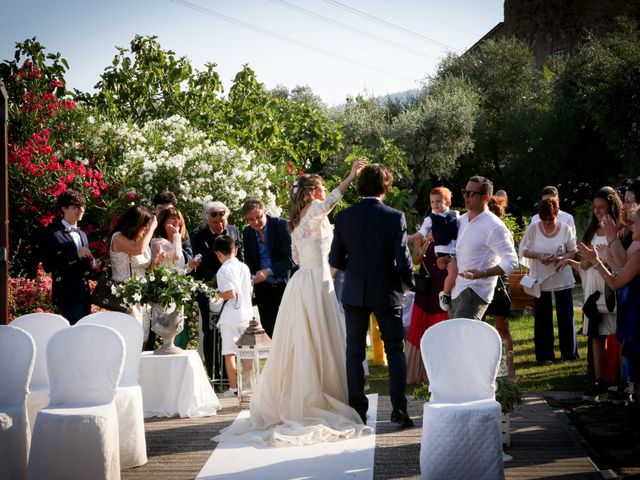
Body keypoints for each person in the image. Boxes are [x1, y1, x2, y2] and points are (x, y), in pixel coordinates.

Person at [215, 159, 371, 446]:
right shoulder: (314, 209)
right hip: (316, 281)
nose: (325, 191)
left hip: (305, 280)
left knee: (307, 340)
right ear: (312, 192)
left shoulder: (296, 219)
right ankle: (321, 394)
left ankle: (312, 390)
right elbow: (335, 198)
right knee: (320, 337)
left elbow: (297, 258)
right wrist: (350, 175)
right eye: (321, 187)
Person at [330, 163, 415, 428]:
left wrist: (356, 268)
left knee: (354, 351)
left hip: (355, 289)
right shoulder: (394, 216)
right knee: (394, 349)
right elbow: (403, 259)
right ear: (385, 186)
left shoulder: (344, 217)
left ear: (359, 186)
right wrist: (410, 282)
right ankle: (399, 408)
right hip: (386, 290)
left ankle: (358, 410)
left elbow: (335, 258)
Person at [557, 186, 624, 400]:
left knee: (617, 333)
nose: (598, 211)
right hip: (592, 288)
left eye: (602, 207)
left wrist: (598, 259)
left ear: (612, 207)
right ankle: (599, 379)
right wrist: (574, 262)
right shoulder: (592, 232)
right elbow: (586, 264)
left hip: (610, 284)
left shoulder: (620, 231)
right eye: (595, 207)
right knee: (596, 334)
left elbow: (619, 261)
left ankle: (620, 381)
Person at [578, 204, 640, 410]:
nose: (631, 227)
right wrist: (600, 260)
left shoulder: (638, 253)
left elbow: (615, 282)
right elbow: (620, 270)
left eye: (636, 222)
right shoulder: (635, 249)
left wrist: (598, 261)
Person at [450, 175, 519, 320]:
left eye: (471, 193)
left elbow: (512, 262)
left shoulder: (494, 226)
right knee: (456, 339)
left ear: (485, 198)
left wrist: (483, 273)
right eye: (465, 192)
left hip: (475, 291)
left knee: (463, 336)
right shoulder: (461, 220)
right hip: (457, 289)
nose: (466, 196)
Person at [519, 197, 578, 363]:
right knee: (543, 318)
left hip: (562, 275)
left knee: (566, 315)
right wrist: (538, 255)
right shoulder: (533, 228)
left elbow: (572, 252)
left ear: (556, 214)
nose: (547, 222)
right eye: (544, 219)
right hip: (541, 278)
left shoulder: (565, 228)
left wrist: (559, 258)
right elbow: (524, 250)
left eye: (550, 219)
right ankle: (545, 355)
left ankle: (569, 354)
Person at [191, 201, 242, 380]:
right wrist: (218, 282)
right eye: (215, 222)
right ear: (207, 220)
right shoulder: (198, 237)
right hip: (210, 289)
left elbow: (239, 257)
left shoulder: (234, 231)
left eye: (223, 220)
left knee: (229, 333)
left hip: (232, 291)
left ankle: (230, 379)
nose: (220, 225)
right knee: (211, 331)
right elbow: (202, 267)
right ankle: (214, 377)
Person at [41, 190, 102, 324]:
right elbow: (47, 266)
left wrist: (92, 265)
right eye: (75, 207)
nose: (80, 210)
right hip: (66, 294)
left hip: (84, 294)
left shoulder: (83, 234)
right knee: (74, 336)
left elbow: (81, 266)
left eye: (82, 206)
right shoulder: (52, 234)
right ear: (64, 208)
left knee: (84, 333)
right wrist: (75, 255)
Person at [241, 199, 295, 338]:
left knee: (291, 325)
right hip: (263, 287)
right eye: (250, 220)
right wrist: (252, 276)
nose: (255, 222)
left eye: (258, 217)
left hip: (285, 282)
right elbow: (249, 261)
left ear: (266, 212)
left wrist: (268, 271)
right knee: (268, 326)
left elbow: (291, 258)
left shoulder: (281, 225)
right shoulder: (247, 233)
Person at [149, 206, 200, 350]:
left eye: (178, 217)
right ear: (163, 222)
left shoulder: (177, 243)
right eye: (172, 217)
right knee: (165, 328)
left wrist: (190, 265)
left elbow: (179, 270)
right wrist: (177, 236)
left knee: (178, 327)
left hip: (177, 290)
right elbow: (176, 255)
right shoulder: (157, 242)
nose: (177, 220)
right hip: (164, 292)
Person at [405, 234, 449, 385]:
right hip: (425, 289)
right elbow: (415, 260)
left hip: (443, 285)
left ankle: (441, 373)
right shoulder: (422, 236)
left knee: (442, 326)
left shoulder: (451, 232)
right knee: (420, 329)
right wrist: (425, 244)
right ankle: (417, 373)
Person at [110, 205, 157, 347]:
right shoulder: (118, 237)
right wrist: (152, 229)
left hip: (142, 294)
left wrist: (156, 261)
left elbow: (144, 266)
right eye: (144, 226)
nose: (145, 229)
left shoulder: (140, 239)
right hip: (125, 294)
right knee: (131, 336)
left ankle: (139, 368)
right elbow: (137, 250)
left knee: (144, 336)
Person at [213, 235, 253, 398]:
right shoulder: (244, 267)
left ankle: (234, 387)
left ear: (218, 254)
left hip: (231, 315)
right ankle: (248, 385)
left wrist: (217, 294)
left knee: (229, 351)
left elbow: (231, 293)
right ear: (234, 250)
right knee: (246, 350)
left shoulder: (223, 270)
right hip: (247, 313)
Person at [407, 186, 459, 312]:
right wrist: (410, 238)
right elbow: (420, 235)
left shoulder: (456, 215)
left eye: (438, 201)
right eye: (432, 202)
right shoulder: (430, 220)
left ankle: (449, 296)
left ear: (448, 202)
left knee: (455, 275)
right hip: (439, 261)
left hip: (455, 254)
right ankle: (445, 295)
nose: (435, 204)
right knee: (452, 273)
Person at [485, 195, 517, 380]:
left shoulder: (504, 232)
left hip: (499, 282)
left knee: (502, 328)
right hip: (480, 283)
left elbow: (509, 260)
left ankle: (510, 370)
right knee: (479, 328)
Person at [153, 189, 193, 261]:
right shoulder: (148, 229)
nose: (165, 213)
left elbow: (189, 257)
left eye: (169, 210)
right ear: (154, 209)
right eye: (160, 209)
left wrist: (176, 238)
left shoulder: (182, 230)